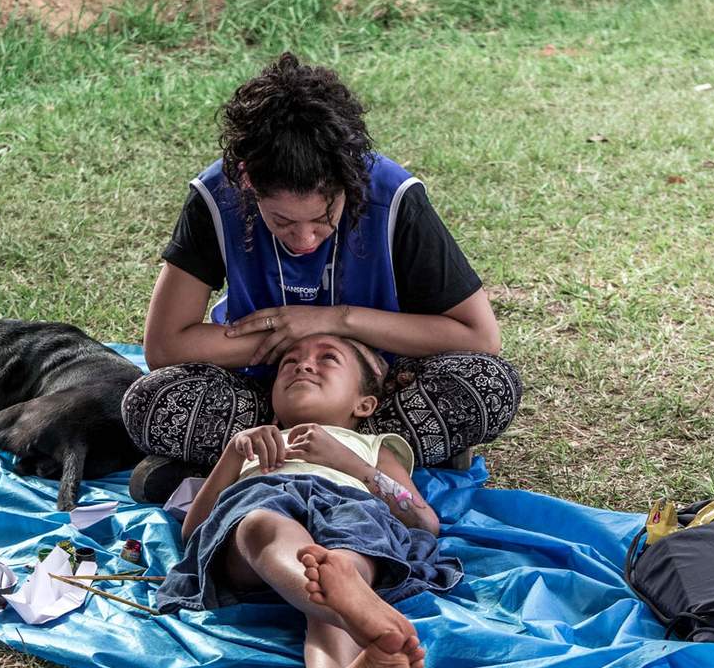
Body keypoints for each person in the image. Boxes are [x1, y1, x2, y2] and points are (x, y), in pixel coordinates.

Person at [123, 51, 522, 502]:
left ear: (348, 183)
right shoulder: (217, 198)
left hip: (376, 389)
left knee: (488, 384)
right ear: (249, 182)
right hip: (268, 391)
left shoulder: (394, 198)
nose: (306, 239)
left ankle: (257, 458)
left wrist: (334, 320)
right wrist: (284, 344)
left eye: (323, 217)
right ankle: (373, 452)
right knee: (149, 402)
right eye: (282, 222)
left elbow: (480, 336)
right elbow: (164, 347)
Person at [157, 333, 462, 668]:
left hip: (350, 508)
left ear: (363, 404)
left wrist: (351, 463)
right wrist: (233, 454)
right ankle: (353, 610)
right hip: (266, 511)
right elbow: (195, 531)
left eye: (328, 358)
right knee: (263, 526)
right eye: (289, 362)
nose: (303, 365)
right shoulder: (256, 442)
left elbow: (423, 521)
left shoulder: (370, 447)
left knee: (338, 566)